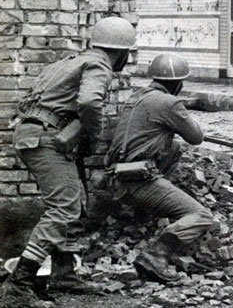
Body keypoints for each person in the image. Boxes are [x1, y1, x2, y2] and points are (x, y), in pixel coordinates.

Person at [0, 16, 136, 308]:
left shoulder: (68, 62)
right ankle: (18, 285)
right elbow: (89, 102)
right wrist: (91, 131)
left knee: (73, 200)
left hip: (34, 133)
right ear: (121, 52)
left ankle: (64, 273)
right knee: (63, 208)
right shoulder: (99, 65)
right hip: (49, 138)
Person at [104, 53, 214, 283]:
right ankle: (156, 254)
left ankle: (148, 216)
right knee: (201, 215)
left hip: (116, 176)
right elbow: (196, 137)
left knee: (173, 146)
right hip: (140, 179)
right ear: (178, 83)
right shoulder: (170, 103)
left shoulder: (136, 97)